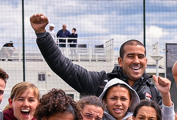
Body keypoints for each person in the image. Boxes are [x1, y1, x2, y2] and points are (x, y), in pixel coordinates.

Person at [29, 13, 160, 104]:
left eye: (140, 57)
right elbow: (64, 66)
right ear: (120, 61)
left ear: (146, 61)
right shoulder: (101, 82)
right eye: (130, 56)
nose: (136, 61)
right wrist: (42, 35)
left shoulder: (153, 91)